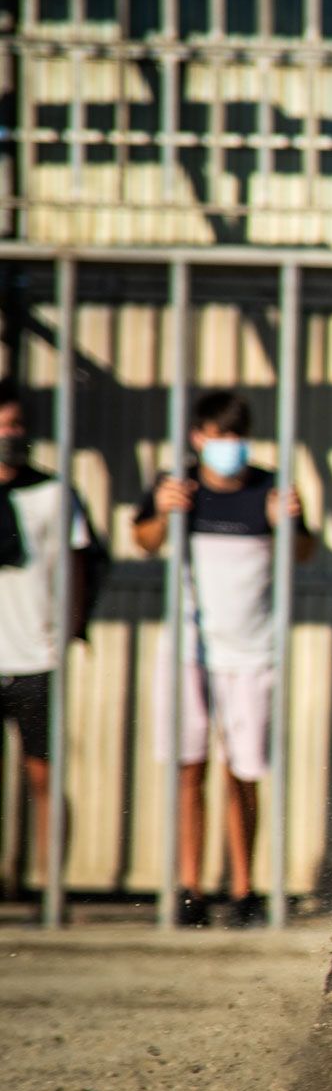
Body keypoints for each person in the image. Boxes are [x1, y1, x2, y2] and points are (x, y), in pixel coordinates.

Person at [133, 391, 315, 928]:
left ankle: (243, 886)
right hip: (190, 650)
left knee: (244, 769)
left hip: (252, 651)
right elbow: (142, 540)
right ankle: (189, 885)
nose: (227, 446)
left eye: (235, 436)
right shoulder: (178, 487)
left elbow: (304, 553)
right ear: (197, 438)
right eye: (217, 435)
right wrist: (164, 514)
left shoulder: (270, 488)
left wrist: (291, 522)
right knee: (190, 767)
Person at [0, 384, 100, 908]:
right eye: (1, 425)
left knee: (44, 775)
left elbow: (81, 564)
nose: (8, 435)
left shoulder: (55, 493)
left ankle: (49, 892)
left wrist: (73, 628)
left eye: (15, 425)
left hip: (36, 655)